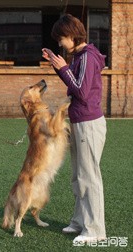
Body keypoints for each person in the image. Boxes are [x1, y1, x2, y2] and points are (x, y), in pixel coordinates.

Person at [42, 14, 107, 244]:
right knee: (79, 176)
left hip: (89, 124)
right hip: (80, 122)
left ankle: (96, 230)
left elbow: (80, 90)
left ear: (71, 34)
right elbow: (76, 83)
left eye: (61, 38)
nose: (60, 43)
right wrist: (58, 66)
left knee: (89, 177)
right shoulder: (81, 56)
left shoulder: (88, 56)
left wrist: (64, 68)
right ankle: (80, 222)